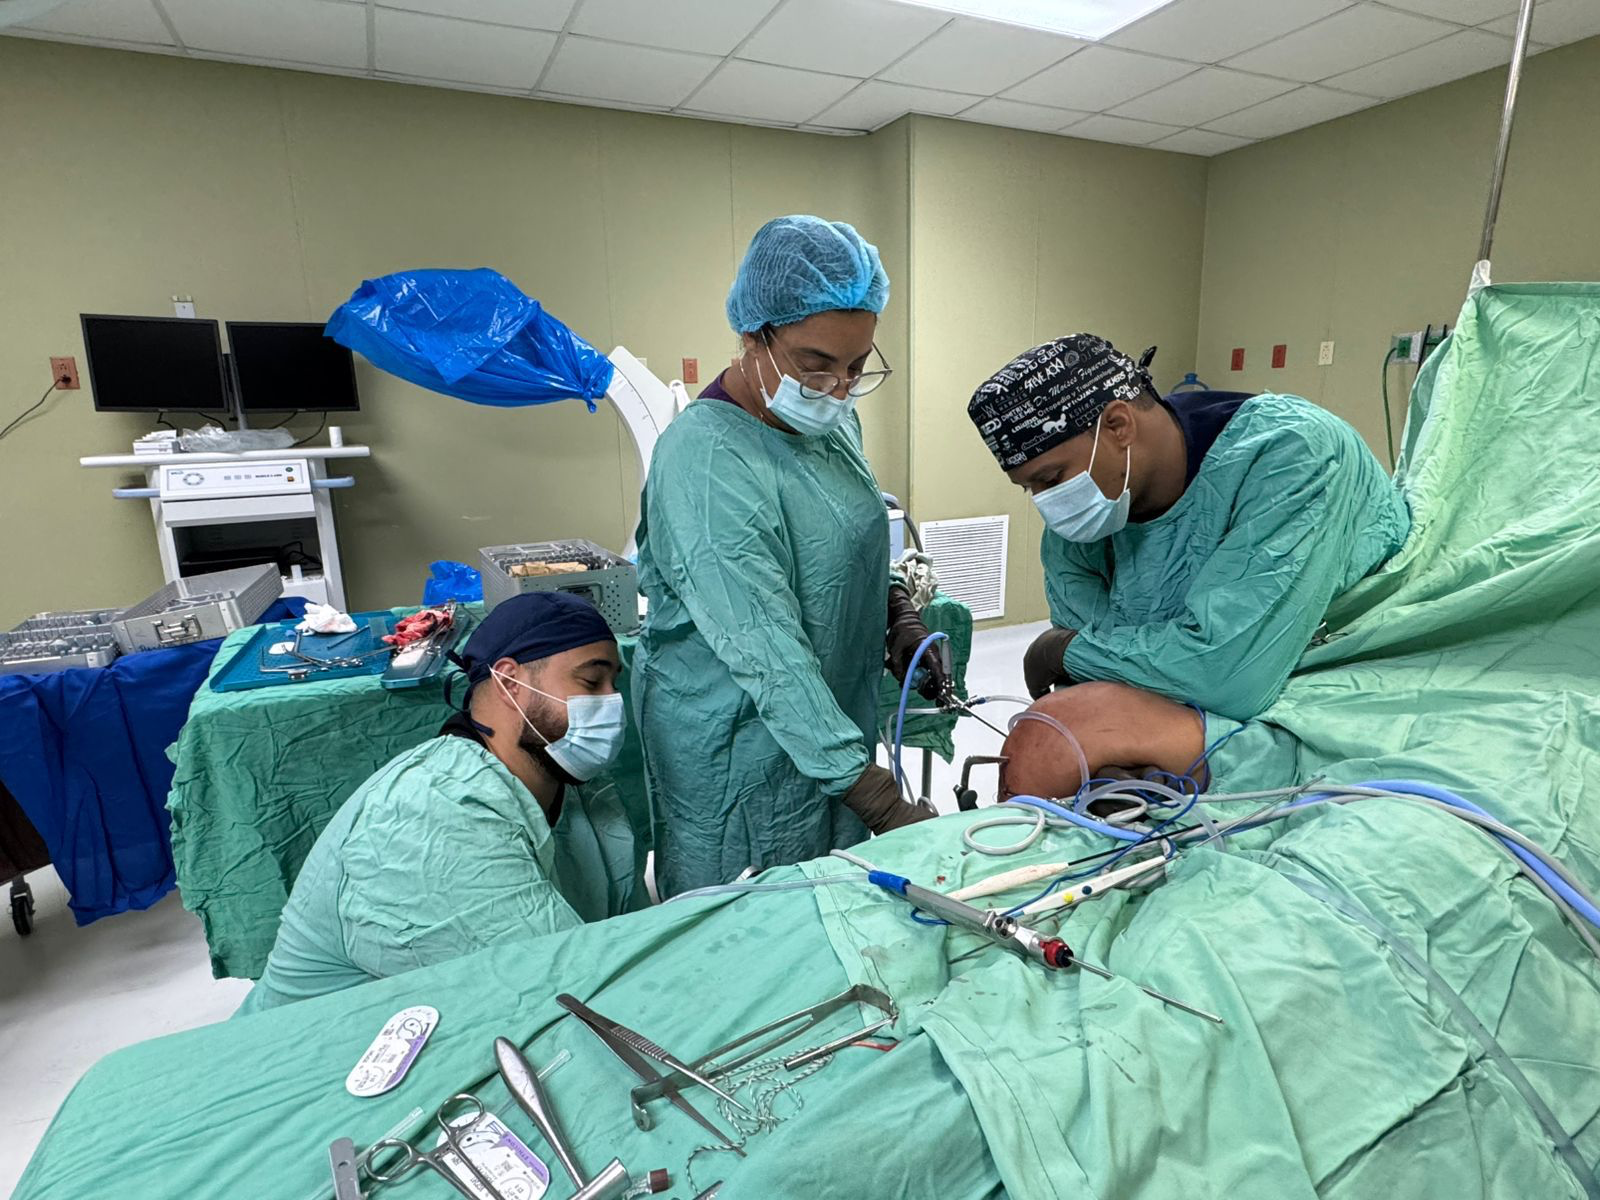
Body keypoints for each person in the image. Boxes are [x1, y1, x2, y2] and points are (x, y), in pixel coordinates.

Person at [635, 214, 948, 898]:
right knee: (747, 919)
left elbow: (840, 540)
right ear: (753, 337)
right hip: (736, 743)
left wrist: (895, 611)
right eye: (816, 365)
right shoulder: (705, 460)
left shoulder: (830, 423)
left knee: (834, 902)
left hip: (826, 719)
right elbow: (763, 645)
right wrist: (877, 797)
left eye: (856, 367)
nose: (838, 387)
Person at [968, 333, 1410, 797]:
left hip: (1339, 680)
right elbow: (1103, 669)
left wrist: (1062, 652)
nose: (1047, 503)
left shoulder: (1292, 454)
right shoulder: (1084, 516)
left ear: (1118, 426)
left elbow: (1229, 672)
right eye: (1029, 488)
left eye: (1051, 478)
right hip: (1207, 697)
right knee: (1043, 746)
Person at [237, 593, 640, 1013]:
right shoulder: (432, 817)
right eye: (591, 682)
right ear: (510, 683)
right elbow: (560, 987)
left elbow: (626, 936)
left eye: (614, 685)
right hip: (328, 1038)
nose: (611, 703)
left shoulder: (570, 780)